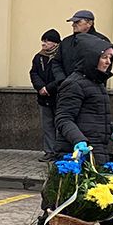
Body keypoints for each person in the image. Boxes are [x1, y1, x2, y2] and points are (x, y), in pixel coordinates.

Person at [27, 34, 113, 225]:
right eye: (104, 57)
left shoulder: (96, 84)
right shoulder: (73, 84)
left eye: (111, 58)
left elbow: (100, 118)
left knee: (94, 196)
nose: (108, 62)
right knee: (84, 196)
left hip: (96, 149)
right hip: (77, 152)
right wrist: (79, 141)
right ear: (91, 58)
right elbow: (64, 118)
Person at [50, 9, 103, 92]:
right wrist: (62, 80)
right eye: (73, 22)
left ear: (89, 23)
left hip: (92, 91)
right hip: (67, 89)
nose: (73, 25)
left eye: (77, 22)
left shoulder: (102, 42)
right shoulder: (66, 42)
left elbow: (103, 67)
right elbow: (56, 62)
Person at [29, 29, 63, 161]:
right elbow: (34, 73)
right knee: (47, 125)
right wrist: (40, 87)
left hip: (58, 96)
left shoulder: (60, 56)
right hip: (43, 97)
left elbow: (62, 77)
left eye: (47, 41)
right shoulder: (39, 57)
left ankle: (60, 151)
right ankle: (50, 151)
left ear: (55, 43)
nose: (44, 43)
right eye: (43, 40)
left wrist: (49, 88)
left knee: (61, 124)